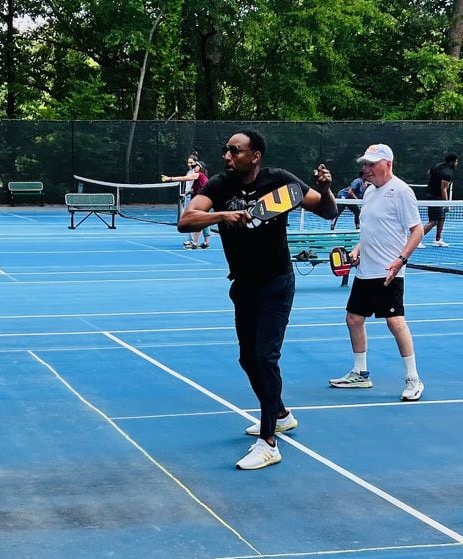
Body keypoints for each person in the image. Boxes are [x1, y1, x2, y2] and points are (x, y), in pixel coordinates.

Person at [177, 129, 337, 470]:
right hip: (243, 285)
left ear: (255, 155)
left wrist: (324, 189)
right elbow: (186, 220)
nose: (227, 155)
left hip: (276, 283)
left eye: (235, 150)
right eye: (226, 149)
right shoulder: (220, 185)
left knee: (266, 358)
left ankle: (268, 442)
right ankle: (279, 414)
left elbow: (326, 211)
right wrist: (223, 215)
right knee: (248, 360)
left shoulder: (279, 181)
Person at [328, 144, 425, 402]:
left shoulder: (401, 191)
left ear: (387, 164)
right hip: (365, 272)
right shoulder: (369, 192)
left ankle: (413, 379)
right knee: (353, 319)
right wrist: (358, 248)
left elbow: (417, 230)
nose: (366, 169)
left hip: (389, 272)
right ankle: (360, 373)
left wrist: (400, 260)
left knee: (395, 323)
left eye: (371, 164)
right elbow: (369, 230)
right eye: (365, 164)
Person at [163, 152, 211, 249]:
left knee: (199, 221)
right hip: (202, 200)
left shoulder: (198, 175)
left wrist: (170, 178)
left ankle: (194, 242)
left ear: (200, 167)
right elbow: (197, 188)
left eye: (196, 165)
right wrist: (187, 193)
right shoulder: (201, 176)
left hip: (202, 201)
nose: (194, 167)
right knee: (203, 221)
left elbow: (185, 178)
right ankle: (205, 242)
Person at [418, 153, 457, 248]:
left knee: (442, 218)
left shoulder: (437, 166)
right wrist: (447, 204)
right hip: (435, 197)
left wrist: (434, 179)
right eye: (456, 161)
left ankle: (438, 240)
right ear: (451, 162)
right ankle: (416, 240)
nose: (457, 164)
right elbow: (443, 188)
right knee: (433, 221)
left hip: (431, 193)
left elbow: (428, 172)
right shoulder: (448, 173)